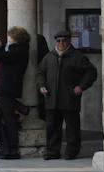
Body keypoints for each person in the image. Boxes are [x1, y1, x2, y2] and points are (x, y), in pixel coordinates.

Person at [37, 30, 97, 160]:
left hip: (70, 97)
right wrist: (42, 85)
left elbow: (91, 73)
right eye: (58, 41)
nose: (61, 43)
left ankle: (71, 151)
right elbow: (40, 72)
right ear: (55, 42)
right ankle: (52, 151)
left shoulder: (77, 57)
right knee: (52, 127)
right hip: (52, 98)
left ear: (69, 41)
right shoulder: (49, 57)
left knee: (72, 127)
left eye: (64, 41)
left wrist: (81, 87)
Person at [0, 27, 30, 160]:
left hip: (8, 88)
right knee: (3, 119)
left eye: (11, 37)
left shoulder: (19, 50)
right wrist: (0, 46)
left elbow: (1, 56)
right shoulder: (16, 50)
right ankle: (6, 149)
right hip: (6, 88)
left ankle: (11, 150)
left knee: (8, 119)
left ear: (16, 39)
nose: (9, 39)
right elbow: (4, 56)